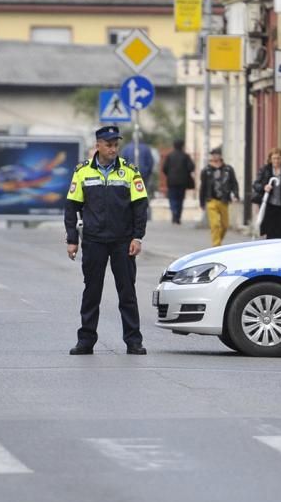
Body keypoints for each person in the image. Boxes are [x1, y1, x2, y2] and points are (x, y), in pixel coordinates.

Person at [64, 125, 149, 356]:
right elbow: (72, 207)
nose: (113, 149)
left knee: (127, 293)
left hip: (123, 241)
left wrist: (137, 237)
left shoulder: (130, 171)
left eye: (115, 145)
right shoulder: (82, 171)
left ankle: (133, 341)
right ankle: (86, 341)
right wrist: (72, 239)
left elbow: (140, 206)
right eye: (109, 145)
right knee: (92, 292)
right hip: (94, 241)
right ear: (98, 146)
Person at [252, 147, 281, 239]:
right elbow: (255, 184)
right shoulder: (265, 170)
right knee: (270, 232)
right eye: (274, 158)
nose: (276, 161)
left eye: (278, 158)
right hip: (269, 206)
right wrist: (264, 187)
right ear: (270, 159)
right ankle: (270, 250)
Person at [199, 147, 239, 247]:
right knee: (215, 224)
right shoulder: (206, 170)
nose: (215, 156)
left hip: (224, 200)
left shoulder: (228, 169)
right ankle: (216, 246)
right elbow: (203, 186)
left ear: (221, 156)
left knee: (225, 225)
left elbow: (234, 183)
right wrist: (202, 202)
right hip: (211, 200)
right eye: (213, 155)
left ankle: (217, 241)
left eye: (217, 154)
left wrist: (235, 194)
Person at [161, 139, 196, 225]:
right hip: (182, 181)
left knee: (172, 198)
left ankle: (174, 212)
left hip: (171, 181)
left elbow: (164, 168)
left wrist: (169, 174)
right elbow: (191, 167)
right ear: (182, 146)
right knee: (180, 199)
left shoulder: (170, 156)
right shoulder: (185, 156)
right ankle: (178, 217)